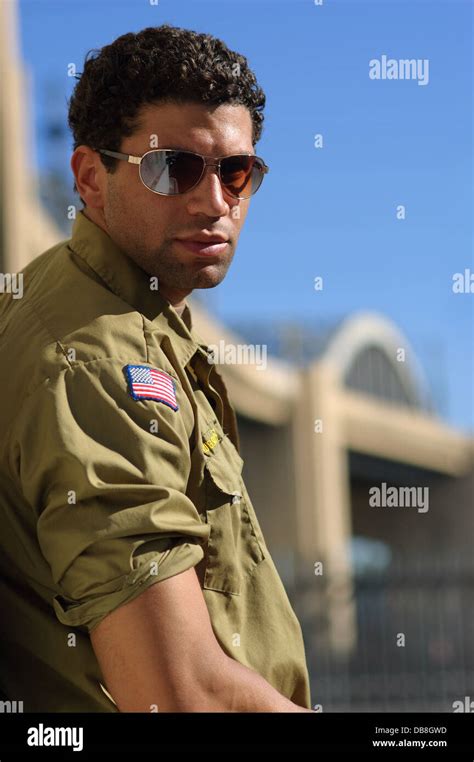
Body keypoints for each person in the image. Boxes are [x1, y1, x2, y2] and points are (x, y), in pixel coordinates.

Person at [0, 24, 313, 712]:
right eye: (173, 168)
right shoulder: (95, 361)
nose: (215, 203)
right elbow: (177, 694)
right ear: (89, 176)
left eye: (237, 172)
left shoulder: (128, 321)